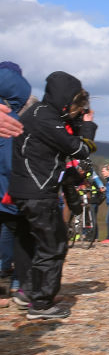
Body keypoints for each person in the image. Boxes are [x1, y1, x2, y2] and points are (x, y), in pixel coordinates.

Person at [8, 71, 97, 320]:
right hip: (38, 192)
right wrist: (88, 126)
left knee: (29, 244)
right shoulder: (47, 118)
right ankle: (42, 304)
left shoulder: (38, 113)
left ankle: (29, 292)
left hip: (24, 190)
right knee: (52, 244)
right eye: (77, 104)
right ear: (66, 99)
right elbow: (78, 148)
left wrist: (77, 122)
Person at [0, 62, 32, 307]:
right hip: (10, 191)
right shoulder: (13, 122)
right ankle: (17, 284)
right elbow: (12, 162)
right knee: (17, 234)